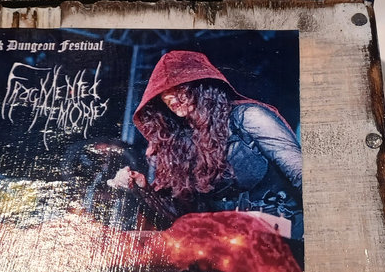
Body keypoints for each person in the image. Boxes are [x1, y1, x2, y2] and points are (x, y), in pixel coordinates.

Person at [111, 50, 303, 239]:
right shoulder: (180, 146)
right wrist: (142, 187)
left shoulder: (248, 117)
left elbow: (301, 173)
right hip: (234, 244)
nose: (171, 97)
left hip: (287, 233)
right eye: (164, 92)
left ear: (202, 87)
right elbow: (180, 218)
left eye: (180, 87)